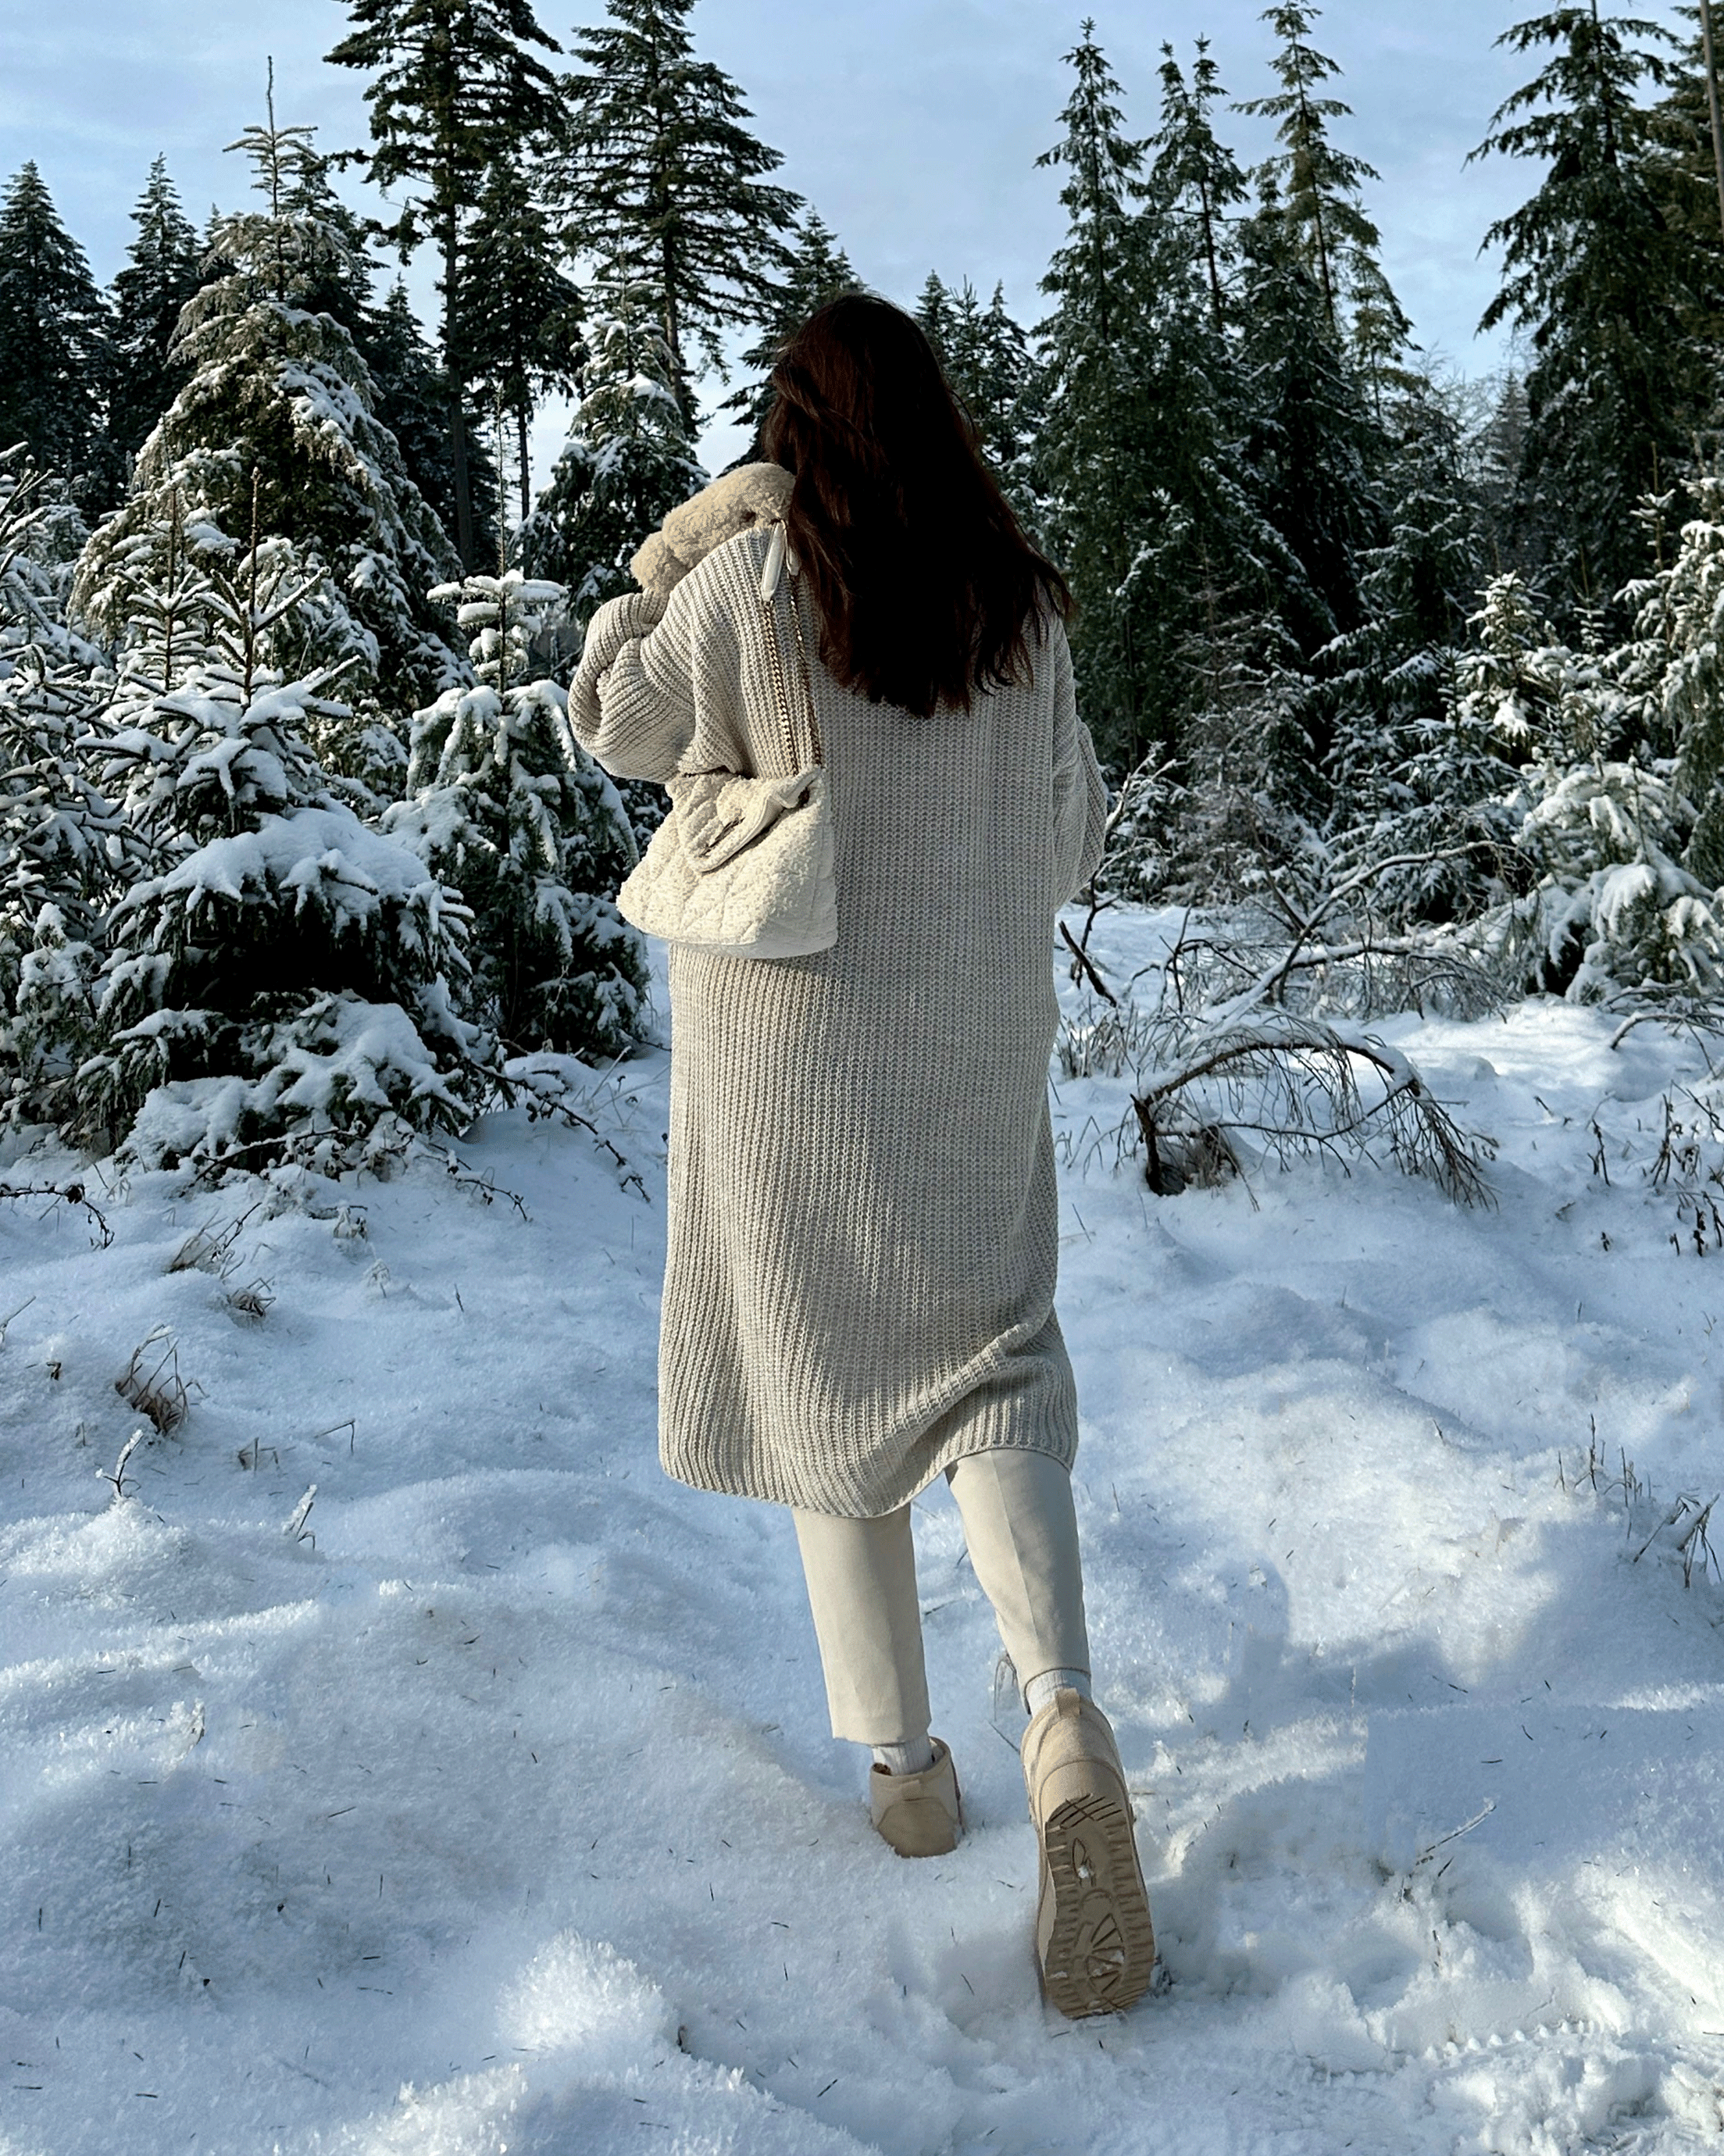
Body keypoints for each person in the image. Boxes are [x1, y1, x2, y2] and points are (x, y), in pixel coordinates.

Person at [569, 293, 1154, 2019]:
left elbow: (610, 719)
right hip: (968, 1037)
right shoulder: (1021, 605)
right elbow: (1071, 832)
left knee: (830, 1378)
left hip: (790, 1048)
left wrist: (697, 523)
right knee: (994, 1368)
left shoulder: (747, 587)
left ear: (793, 431)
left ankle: (905, 1772)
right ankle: (1060, 1718)